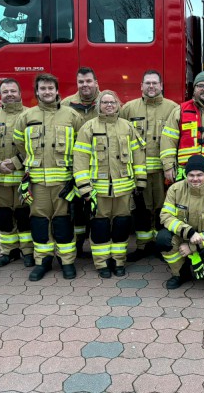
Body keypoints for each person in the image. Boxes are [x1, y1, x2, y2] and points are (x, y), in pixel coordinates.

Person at [13, 73, 83, 281]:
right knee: (40, 223)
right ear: (37, 92)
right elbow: (19, 143)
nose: (47, 92)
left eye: (50, 88)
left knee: (63, 223)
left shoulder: (72, 116)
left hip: (64, 182)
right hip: (37, 182)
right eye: (43, 88)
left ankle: (67, 261)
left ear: (57, 91)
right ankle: (42, 261)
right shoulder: (26, 117)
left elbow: (81, 147)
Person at [73, 90, 147, 278]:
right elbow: (80, 158)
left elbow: (138, 155)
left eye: (112, 102)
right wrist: (84, 187)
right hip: (98, 191)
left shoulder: (127, 127)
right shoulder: (88, 128)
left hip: (124, 190)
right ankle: (102, 264)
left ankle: (119, 261)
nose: (109, 105)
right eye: (104, 102)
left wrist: (140, 181)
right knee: (100, 227)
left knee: (122, 226)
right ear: (99, 105)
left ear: (118, 104)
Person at [119, 70, 177, 261]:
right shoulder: (128, 109)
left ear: (161, 86)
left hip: (162, 171)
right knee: (142, 210)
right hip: (138, 171)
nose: (151, 86)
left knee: (163, 209)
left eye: (155, 83)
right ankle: (143, 247)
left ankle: (162, 246)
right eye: (147, 83)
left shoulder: (173, 108)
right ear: (141, 86)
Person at [0, 78, 33, 268]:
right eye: (5, 91)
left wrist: (18, 162)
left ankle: (27, 251)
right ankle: (8, 251)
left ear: (20, 93)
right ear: (0, 95)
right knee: (3, 215)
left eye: (13, 91)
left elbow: (34, 145)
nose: (9, 94)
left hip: (22, 177)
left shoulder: (30, 115)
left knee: (23, 214)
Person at [156, 155, 204, 289]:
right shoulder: (175, 190)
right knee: (163, 239)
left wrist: (193, 247)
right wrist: (189, 233)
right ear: (186, 174)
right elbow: (166, 216)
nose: (195, 179)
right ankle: (180, 273)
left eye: (199, 175)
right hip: (184, 236)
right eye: (191, 175)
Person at [61, 66, 101, 258]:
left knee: (97, 209)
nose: (85, 85)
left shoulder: (108, 102)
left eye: (88, 81)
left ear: (96, 83)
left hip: (102, 167)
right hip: (75, 167)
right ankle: (77, 246)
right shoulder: (66, 104)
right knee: (76, 209)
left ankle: (97, 247)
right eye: (81, 82)